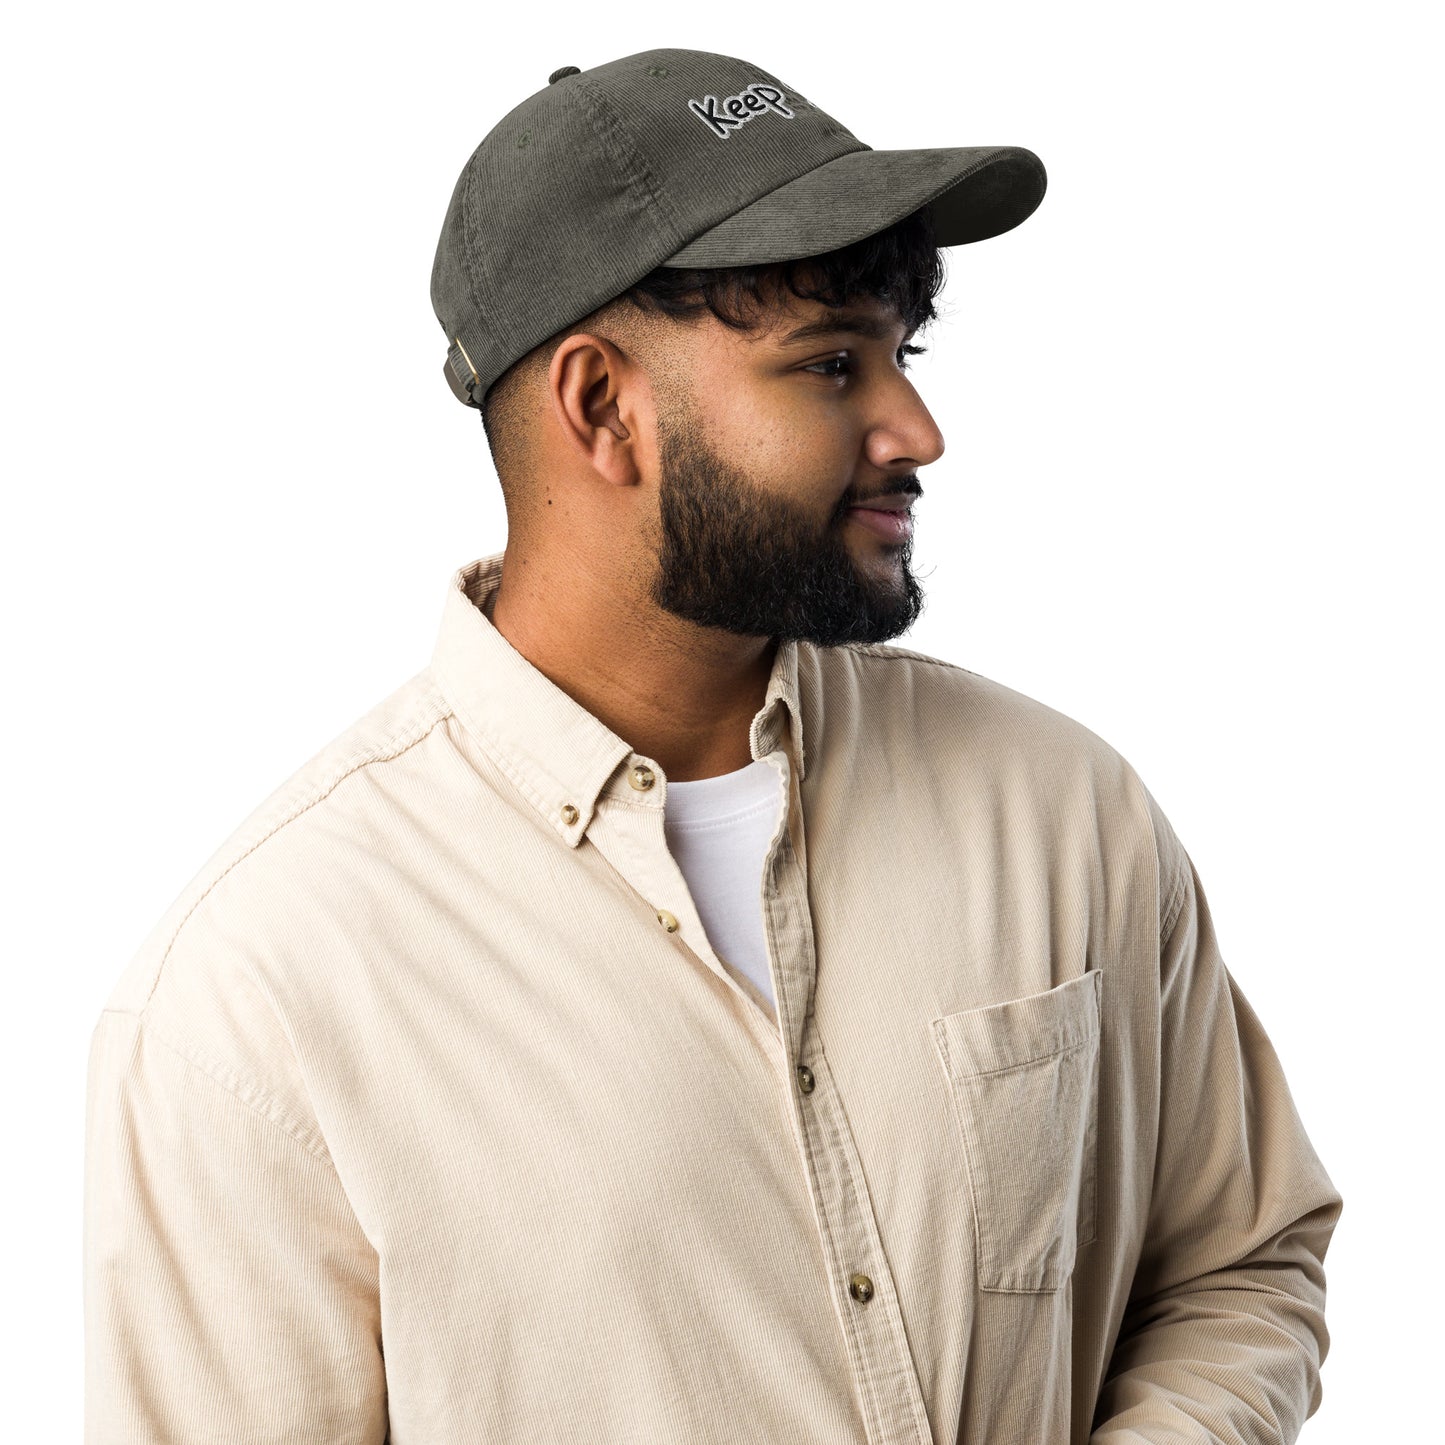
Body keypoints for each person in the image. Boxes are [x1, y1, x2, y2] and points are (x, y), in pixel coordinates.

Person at [83, 46, 1342, 1444]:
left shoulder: (1060, 811)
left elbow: (1238, 1265)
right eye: (830, 364)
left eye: (903, 355)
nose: (916, 429)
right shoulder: (259, 994)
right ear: (600, 406)